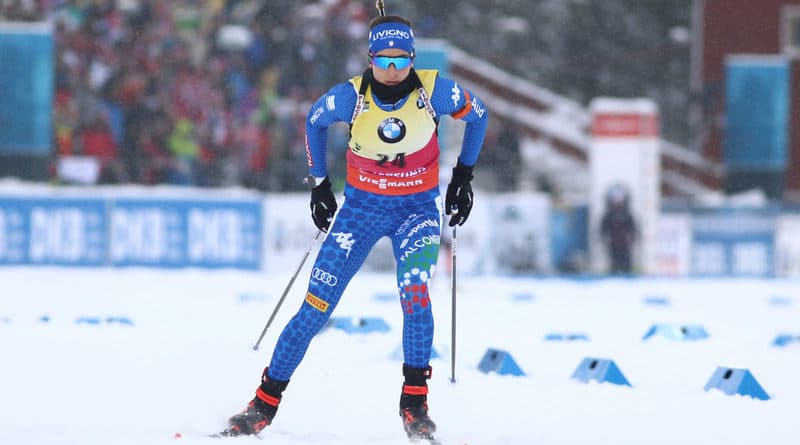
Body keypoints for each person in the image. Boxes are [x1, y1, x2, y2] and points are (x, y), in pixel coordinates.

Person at [223, 14, 489, 441]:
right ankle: (263, 404)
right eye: (383, 60)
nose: (392, 69)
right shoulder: (351, 96)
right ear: (370, 59)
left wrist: (463, 177)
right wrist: (319, 184)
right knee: (315, 307)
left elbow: (478, 116)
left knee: (415, 292)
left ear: (413, 58)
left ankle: (414, 405)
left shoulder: (434, 90)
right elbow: (314, 122)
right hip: (361, 211)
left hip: (416, 212)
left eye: (400, 60)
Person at [600, 183, 637, 274]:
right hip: (613, 244)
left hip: (625, 245)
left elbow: (633, 229)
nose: (617, 202)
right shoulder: (608, 215)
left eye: (619, 199)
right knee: (614, 264)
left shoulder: (627, 215)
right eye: (615, 199)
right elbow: (603, 230)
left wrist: (631, 238)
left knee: (627, 265)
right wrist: (605, 238)